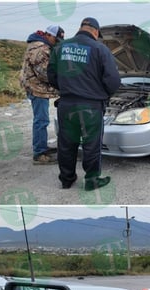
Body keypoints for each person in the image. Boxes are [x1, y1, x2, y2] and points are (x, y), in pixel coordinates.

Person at [48, 17, 121, 191]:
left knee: (66, 144)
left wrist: (67, 88)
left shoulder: (60, 47)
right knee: (91, 144)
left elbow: (51, 75)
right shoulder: (100, 49)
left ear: (81, 28)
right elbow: (113, 80)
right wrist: (104, 95)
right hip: (90, 107)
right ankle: (92, 181)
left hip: (66, 105)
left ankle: (66, 179)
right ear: (95, 31)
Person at [20, 25, 65, 165]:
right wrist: (64, 81)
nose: (56, 42)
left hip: (34, 86)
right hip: (36, 89)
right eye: (56, 39)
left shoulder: (37, 44)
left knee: (41, 120)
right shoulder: (41, 49)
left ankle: (42, 147)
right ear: (49, 35)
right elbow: (45, 73)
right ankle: (39, 154)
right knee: (41, 120)